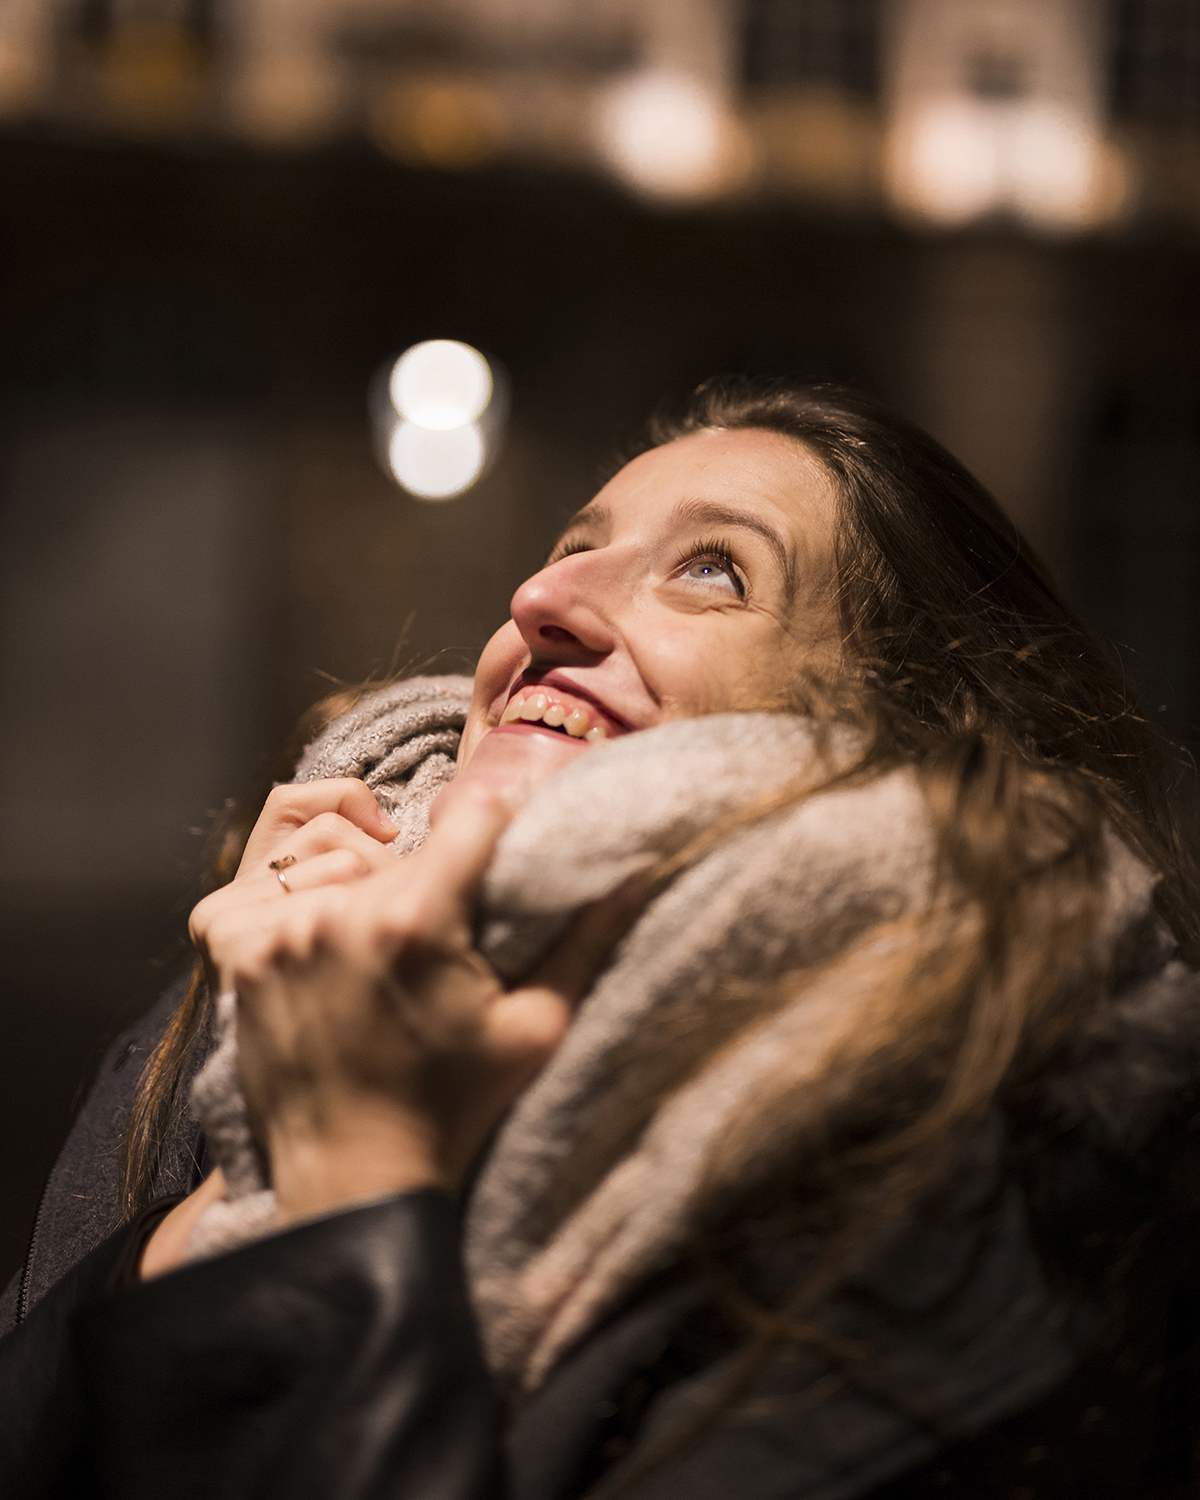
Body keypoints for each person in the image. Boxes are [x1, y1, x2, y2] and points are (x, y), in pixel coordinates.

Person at [3, 379, 1200, 1500]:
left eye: (713, 573)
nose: (541, 599)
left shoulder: (979, 1098)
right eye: (574, 548)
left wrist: (348, 1176)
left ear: (902, 729)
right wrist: (215, 1202)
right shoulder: (289, 966)